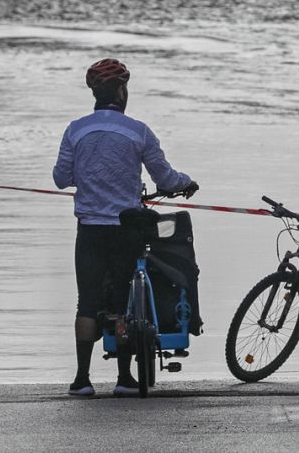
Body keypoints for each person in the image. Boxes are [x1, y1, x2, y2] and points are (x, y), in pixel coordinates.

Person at [53, 57, 198, 398]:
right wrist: (186, 183)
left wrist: (85, 174)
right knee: (122, 301)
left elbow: (60, 178)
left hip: (89, 228)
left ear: (95, 93)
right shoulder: (138, 131)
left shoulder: (75, 129)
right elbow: (165, 177)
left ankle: (82, 380)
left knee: (86, 302)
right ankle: (123, 379)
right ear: (121, 90)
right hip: (126, 227)